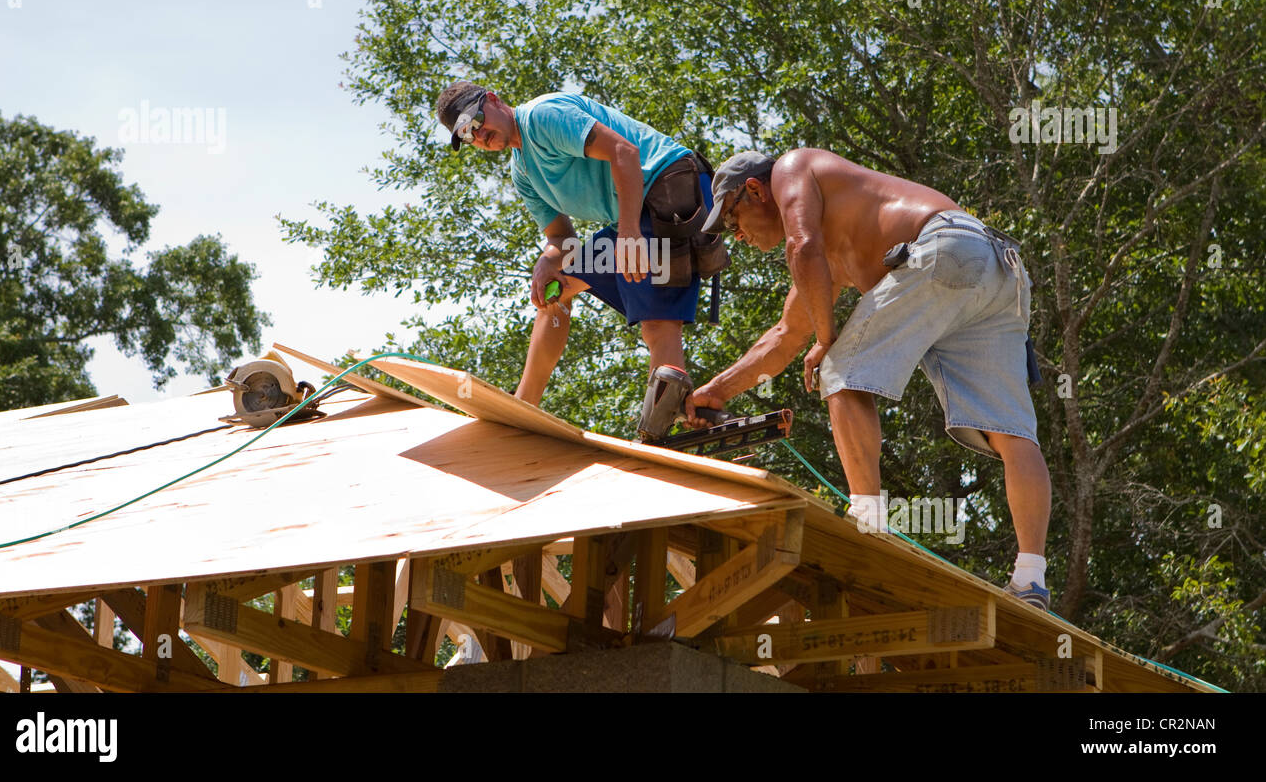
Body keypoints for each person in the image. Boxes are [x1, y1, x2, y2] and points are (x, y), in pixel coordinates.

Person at [684, 149, 1053, 610]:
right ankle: (1031, 578)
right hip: (995, 267)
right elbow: (784, 336)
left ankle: (868, 526)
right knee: (1011, 432)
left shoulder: (791, 169)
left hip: (940, 250)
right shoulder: (834, 242)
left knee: (839, 368)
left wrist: (827, 339)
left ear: (756, 190)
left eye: (733, 220)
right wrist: (714, 392)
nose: (736, 236)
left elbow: (803, 247)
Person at [435, 81, 727, 406]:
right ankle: (524, 404)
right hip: (633, 217)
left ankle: (660, 427)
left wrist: (629, 232)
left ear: (493, 99)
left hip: (670, 191)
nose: (478, 135)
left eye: (476, 122)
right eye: (466, 136)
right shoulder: (523, 173)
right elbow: (561, 238)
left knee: (658, 324)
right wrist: (548, 260)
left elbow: (624, 152)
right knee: (554, 291)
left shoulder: (542, 117)